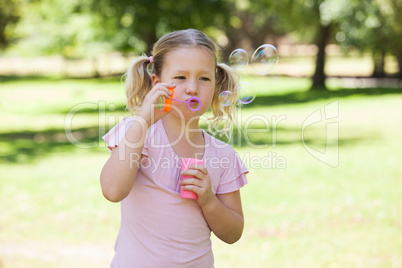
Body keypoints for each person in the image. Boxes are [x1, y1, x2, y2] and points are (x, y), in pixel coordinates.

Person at [100, 29, 249, 267]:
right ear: (157, 83)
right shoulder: (138, 133)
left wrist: (209, 201)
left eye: (204, 78)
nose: (192, 88)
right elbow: (112, 190)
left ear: (215, 85)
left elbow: (233, 233)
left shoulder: (223, 155)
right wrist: (144, 121)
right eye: (180, 77)